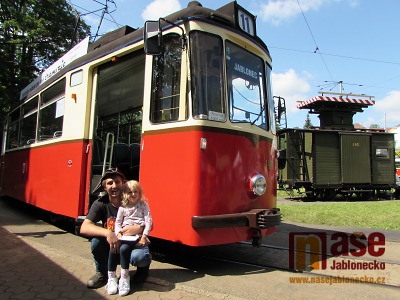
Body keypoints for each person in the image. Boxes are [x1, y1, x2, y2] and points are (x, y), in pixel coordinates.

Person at [80, 168, 152, 289]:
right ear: (104, 187)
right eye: (110, 183)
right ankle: (103, 274)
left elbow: (150, 224)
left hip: (132, 242)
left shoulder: (134, 201)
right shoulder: (100, 203)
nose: (114, 186)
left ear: (123, 183)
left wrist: (139, 229)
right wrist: (108, 233)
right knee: (95, 243)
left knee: (139, 257)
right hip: (114, 244)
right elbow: (84, 227)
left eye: (117, 182)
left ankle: (142, 270)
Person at [106, 180, 152, 296]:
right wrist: (118, 233)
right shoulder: (123, 207)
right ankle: (112, 277)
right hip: (125, 237)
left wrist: (144, 236)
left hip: (138, 237)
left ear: (139, 193)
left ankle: (125, 277)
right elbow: (117, 223)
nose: (133, 194)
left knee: (124, 250)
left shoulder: (143, 205)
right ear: (125, 194)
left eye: (135, 191)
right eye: (129, 192)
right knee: (115, 248)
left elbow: (148, 222)